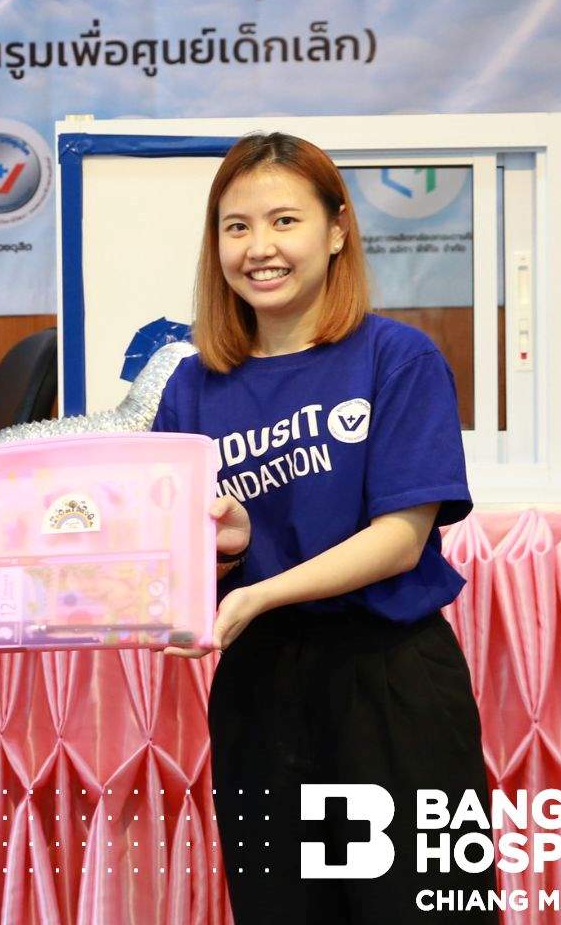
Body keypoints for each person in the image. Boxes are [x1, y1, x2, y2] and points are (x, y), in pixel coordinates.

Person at [152, 132, 495, 923]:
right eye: (236, 227)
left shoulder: (397, 357)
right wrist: (227, 551)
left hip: (390, 683)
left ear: (337, 230)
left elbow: (400, 539)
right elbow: (180, 550)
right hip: (260, 691)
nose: (259, 248)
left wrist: (260, 591)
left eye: (285, 221)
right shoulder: (192, 386)